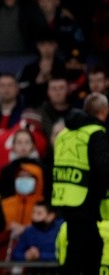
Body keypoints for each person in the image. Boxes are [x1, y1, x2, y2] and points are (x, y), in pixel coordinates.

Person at [51, 92, 109, 274]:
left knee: (86, 245)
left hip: (64, 196)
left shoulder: (63, 134)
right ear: (104, 111)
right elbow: (103, 169)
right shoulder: (96, 133)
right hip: (84, 199)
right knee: (82, 250)